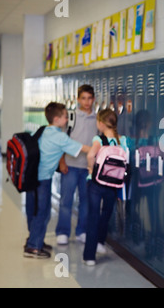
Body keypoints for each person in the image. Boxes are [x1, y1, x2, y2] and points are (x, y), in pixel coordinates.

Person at [24, 102, 90, 259]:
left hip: (31, 177)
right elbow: (82, 149)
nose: (67, 119)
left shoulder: (44, 130)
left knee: (33, 211)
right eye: (65, 117)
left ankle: (34, 240)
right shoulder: (60, 136)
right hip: (42, 180)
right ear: (57, 119)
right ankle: (33, 247)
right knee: (43, 213)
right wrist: (102, 147)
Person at [83, 109, 128, 266]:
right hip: (114, 183)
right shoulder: (121, 139)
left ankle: (89, 256)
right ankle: (100, 243)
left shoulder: (99, 139)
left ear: (101, 123)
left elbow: (90, 155)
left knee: (93, 217)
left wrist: (90, 168)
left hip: (96, 183)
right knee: (106, 213)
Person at [55, 85, 98, 245]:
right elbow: (61, 141)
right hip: (70, 165)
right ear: (78, 99)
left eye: (89, 98)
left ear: (93, 99)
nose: (87, 102)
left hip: (88, 168)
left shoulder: (97, 118)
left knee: (86, 201)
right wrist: (61, 162)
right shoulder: (71, 117)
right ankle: (63, 232)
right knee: (66, 200)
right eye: (83, 98)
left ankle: (82, 231)